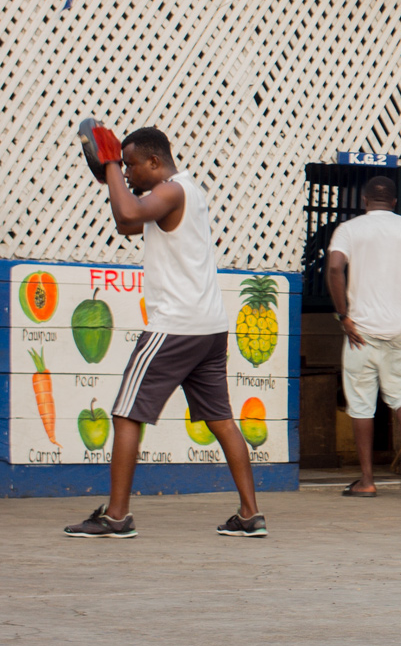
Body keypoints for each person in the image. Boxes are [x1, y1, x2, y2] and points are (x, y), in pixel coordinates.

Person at [65, 123, 265, 538]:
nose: (129, 172)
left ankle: (117, 517)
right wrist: (113, 176)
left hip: (175, 326)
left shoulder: (171, 191)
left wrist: (108, 169)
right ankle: (250, 515)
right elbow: (128, 225)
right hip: (209, 328)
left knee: (124, 414)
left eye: (133, 165)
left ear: (155, 162)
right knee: (221, 419)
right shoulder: (185, 193)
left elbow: (127, 212)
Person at [326, 173, 401, 497]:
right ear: (394, 202)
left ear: (365, 201)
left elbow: (335, 268)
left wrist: (343, 315)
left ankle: (367, 480)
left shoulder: (349, 230)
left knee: (362, 406)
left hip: (359, 333)